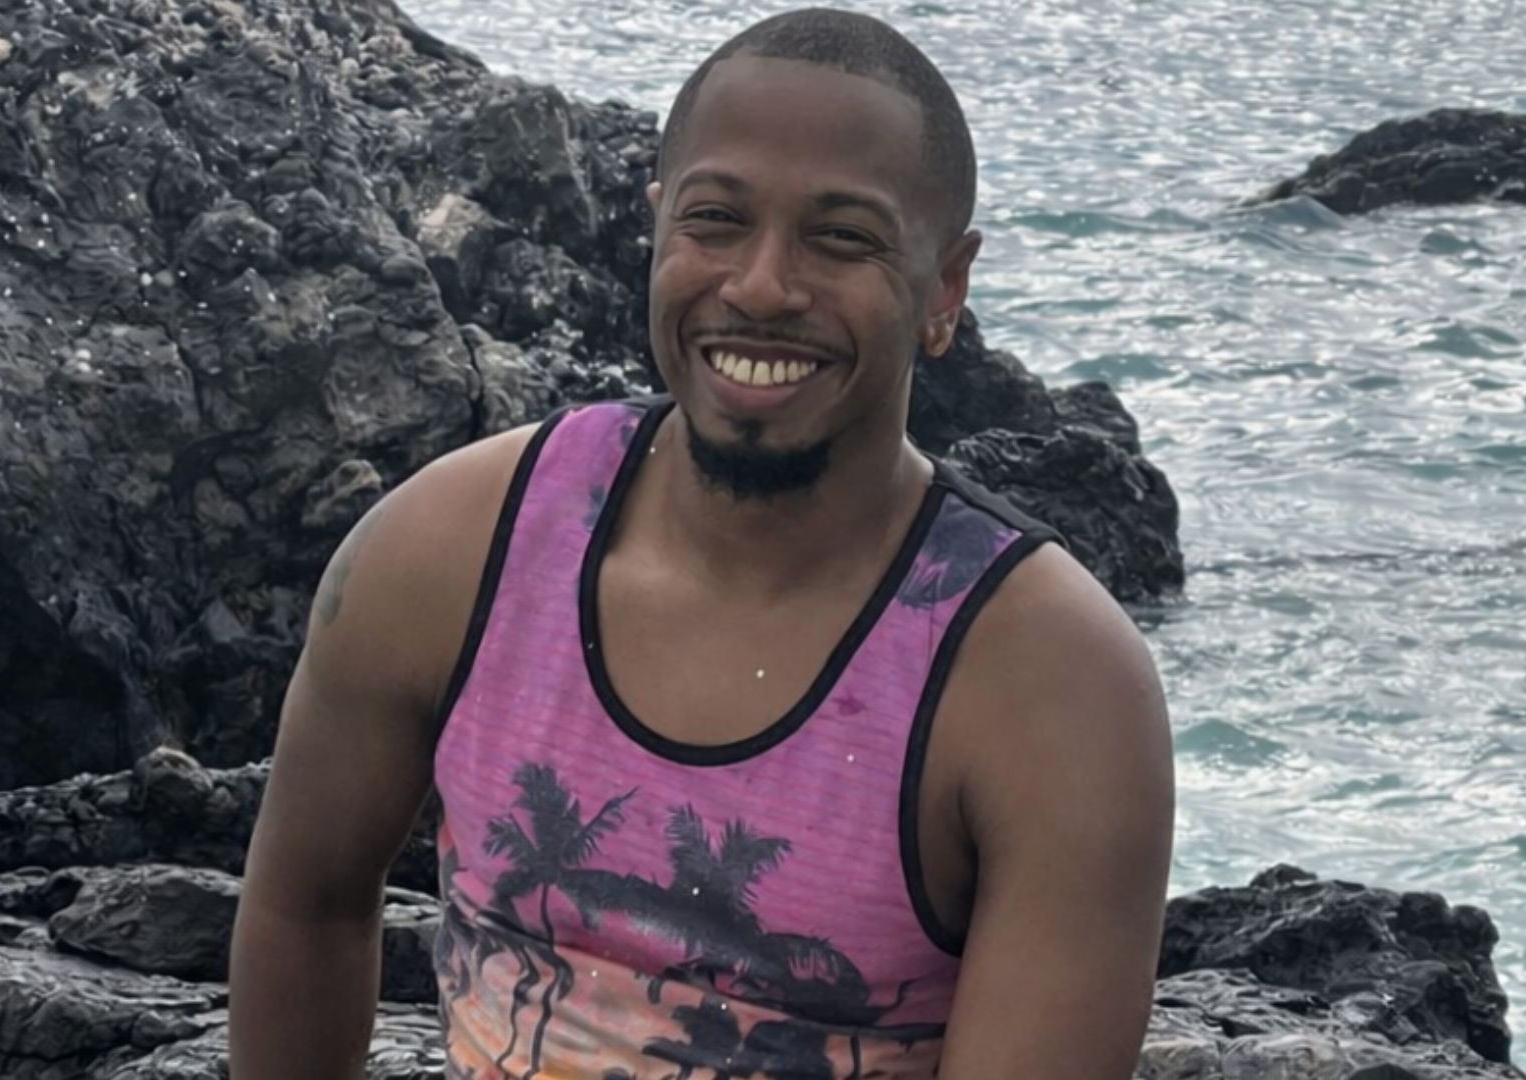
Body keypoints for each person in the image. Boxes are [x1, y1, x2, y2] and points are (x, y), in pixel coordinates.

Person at [227, 8, 1174, 1079]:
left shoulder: (1051, 687)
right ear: (657, 226)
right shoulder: (449, 552)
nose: (763, 285)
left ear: (945, 288)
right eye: (716, 220)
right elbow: (306, 908)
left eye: (842, 237)